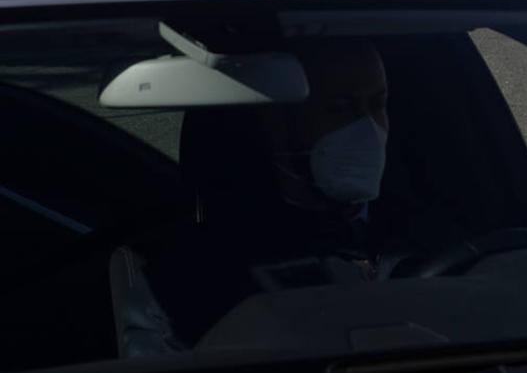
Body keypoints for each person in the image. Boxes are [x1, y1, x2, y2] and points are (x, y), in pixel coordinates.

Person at [112, 40, 395, 355]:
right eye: (339, 109)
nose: (367, 128)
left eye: (378, 104)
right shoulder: (190, 286)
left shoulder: (431, 238)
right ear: (275, 124)